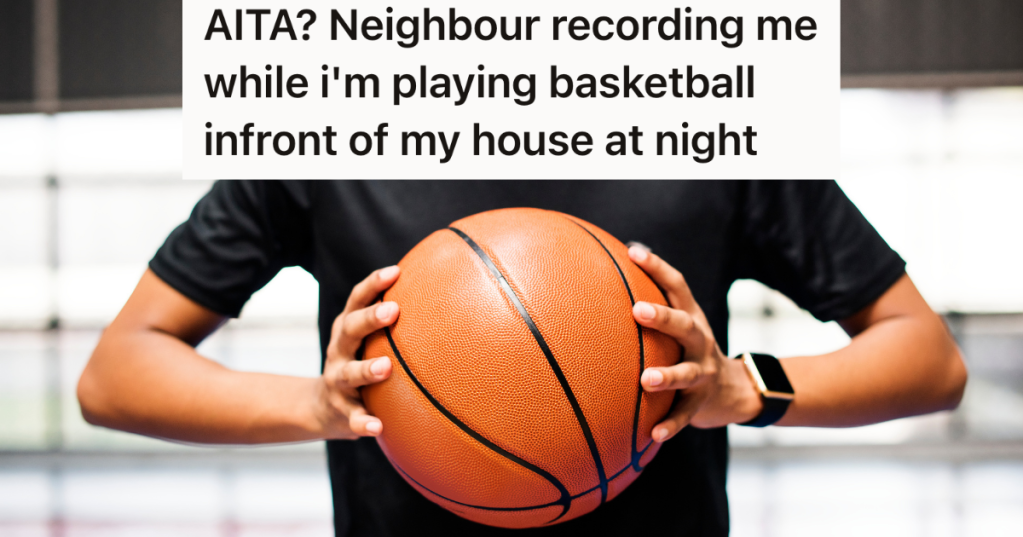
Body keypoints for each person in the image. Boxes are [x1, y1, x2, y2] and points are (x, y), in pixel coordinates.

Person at [77, 181, 966, 536]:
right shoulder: (327, 115)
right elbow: (117, 372)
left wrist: (742, 384)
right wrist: (317, 404)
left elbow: (927, 359)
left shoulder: (711, 102)